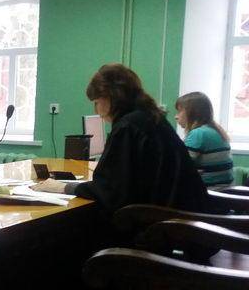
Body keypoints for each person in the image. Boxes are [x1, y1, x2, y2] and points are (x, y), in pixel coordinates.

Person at [32, 63, 208, 213]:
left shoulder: (128, 126)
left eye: (96, 102)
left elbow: (110, 191)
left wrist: (64, 187)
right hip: (183, 218)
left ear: (110, 97)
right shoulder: (150, 118)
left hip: (158, 225)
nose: (96, 110)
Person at [174, 92, 233, 188]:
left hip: (208, 191)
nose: (176, 116)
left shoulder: (198, 134)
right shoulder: (216, 130)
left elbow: (180, 168)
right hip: (224, 190)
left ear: (193, 113)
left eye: (179, 111)